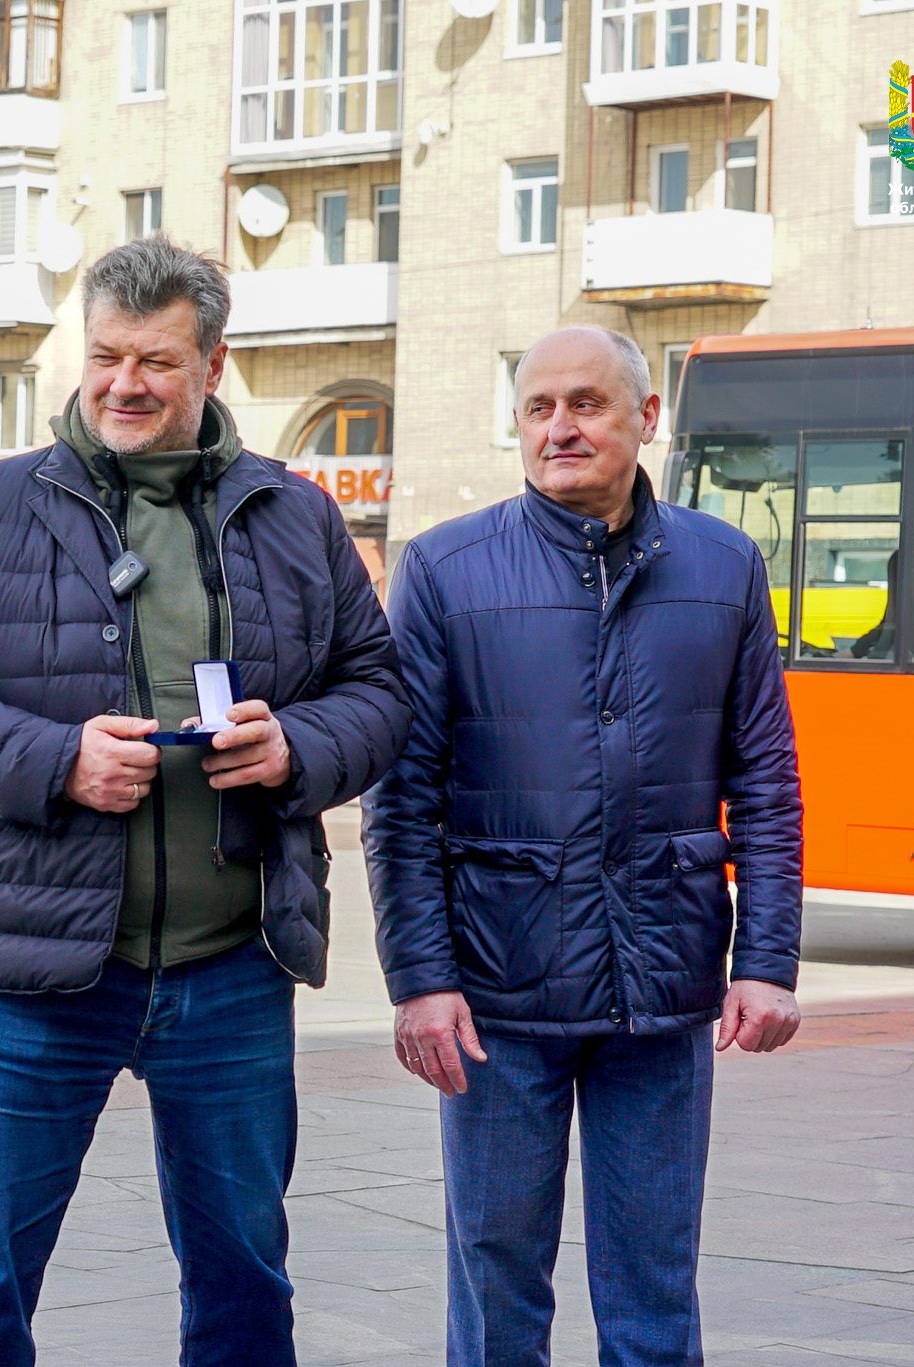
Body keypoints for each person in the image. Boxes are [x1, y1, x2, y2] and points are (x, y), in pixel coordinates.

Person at [0, 238, 411, 1367]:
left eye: (155, 361)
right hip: (32, 973)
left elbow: (378, 692)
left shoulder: (295, 515)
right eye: (106, 355)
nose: (123, 382)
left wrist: (293, 742)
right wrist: (52, 757)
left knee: (243, 1280)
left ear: (211, 363)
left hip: (230, 964)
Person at [363, 327, 803, 1367]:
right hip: (495, 998)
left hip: (662, 993)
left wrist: (767, 960)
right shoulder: (442, 569)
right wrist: (420, 978)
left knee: (654, 1283)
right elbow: (401, 795)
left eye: (585, 404)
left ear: (644, 418)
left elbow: (767, 780)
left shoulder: (722, 563)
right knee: (496, 1278)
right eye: (536, 407)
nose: (557, 427)